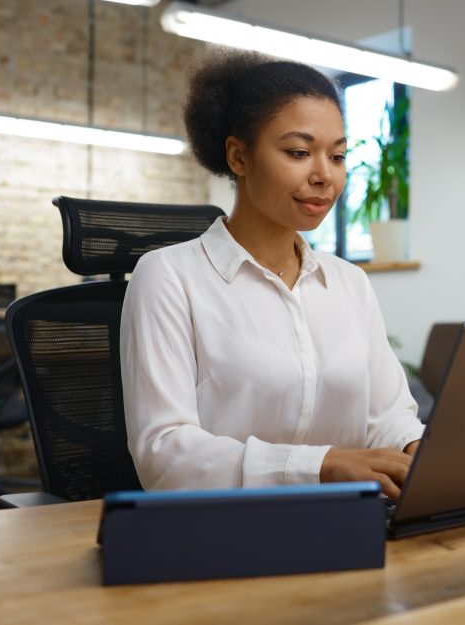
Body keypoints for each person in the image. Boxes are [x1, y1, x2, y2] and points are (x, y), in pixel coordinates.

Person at [120, 50, 423, 498]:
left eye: (338, 156)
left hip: (351, 516)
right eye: (299, 152)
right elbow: (163, 453)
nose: (325, 175)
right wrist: (321, 466)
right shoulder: (168, 277)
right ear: (239, 157)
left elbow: (389, 415)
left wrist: (420, 449)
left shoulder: (349, 282)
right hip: (227, 523)